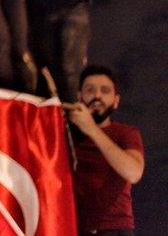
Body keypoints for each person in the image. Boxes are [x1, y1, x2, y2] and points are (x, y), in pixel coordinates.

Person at [64, 65, 144, 235]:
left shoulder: (126, 133)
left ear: (115, 101)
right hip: (73, 228)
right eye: (90, 90)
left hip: (114, 229)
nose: (97, 96)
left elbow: (134, 172)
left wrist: (92, 129)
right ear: (80, 96)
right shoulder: (66, 135)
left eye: (105, 91)